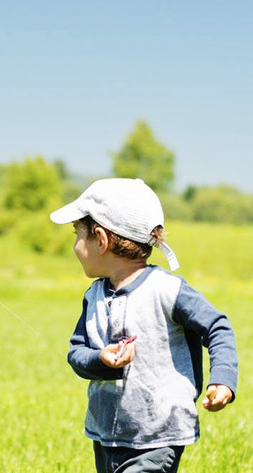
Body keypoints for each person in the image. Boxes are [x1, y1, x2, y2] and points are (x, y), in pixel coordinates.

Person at [49, 178, 238, 473]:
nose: (75, 246)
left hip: (158, 435)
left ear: (100, 239)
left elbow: (217, 327)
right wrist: (100, 360)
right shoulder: (94, 296)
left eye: (78, 234)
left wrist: (223, 378)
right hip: (107, 434)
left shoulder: (167, 290)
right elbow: (76, 353)